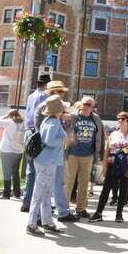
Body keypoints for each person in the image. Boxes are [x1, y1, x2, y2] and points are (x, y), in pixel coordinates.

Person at [33, 80, 78, 223]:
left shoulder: (53, 111)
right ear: (53, 93)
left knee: (52, 185)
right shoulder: (47, 111)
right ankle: (44, 216)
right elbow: (46, 136)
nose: (63, 94)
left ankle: (51, 215)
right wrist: (63, 138)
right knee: (46, 188)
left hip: (52, 155)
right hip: (48, 155)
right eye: (60, 92)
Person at [27, 95, 68, 236]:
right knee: (40, 193)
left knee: (45, 193)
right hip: (48, 161)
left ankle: (47, 221)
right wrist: (63, 140)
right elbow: (49, 140)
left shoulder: (48, 120)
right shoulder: (55, 122)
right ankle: (32, 224)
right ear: (59, 109)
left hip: (44, 160)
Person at [90, 112, 128, 223]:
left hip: (126, 163)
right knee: (106, 188)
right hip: (113, 163)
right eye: (118, 118)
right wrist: (104, 166)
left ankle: (119, 214)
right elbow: (107, 151)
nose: (119, 120)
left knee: (123, 188)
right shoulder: (114, 134)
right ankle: (98, 213)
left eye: (122, 119)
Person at [64, 97, 105, 218]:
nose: (86, 106)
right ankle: (64, 208)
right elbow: (63, 128)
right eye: (84, 104)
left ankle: (81, 208)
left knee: (84, 182)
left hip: (88, 155)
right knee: (68, 182)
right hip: (72, 153)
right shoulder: (72, 116)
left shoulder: (96, 119)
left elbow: (100, 137)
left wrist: (99, 153)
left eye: (89, 104)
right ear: (81, 105)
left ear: (92, 107)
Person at [20, 74, 51, 212]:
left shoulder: (31, 96)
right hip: (38, 133)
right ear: (46, 84)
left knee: (30, 170)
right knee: (40, 170)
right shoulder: (44, 96)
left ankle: (26, 202)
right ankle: (37, 205)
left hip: (28, 132)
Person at [0, 110, 24, 199]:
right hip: (18, 151)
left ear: (10, 115)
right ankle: (17, 194)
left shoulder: (9, 122)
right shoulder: (22, 123)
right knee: (15, 172)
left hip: (7, 150)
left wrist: (5, 116)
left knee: (7, 173)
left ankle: (6, 194)